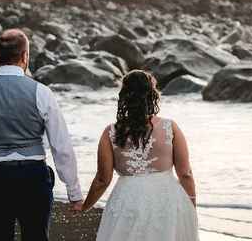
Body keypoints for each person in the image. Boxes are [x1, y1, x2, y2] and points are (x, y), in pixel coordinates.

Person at [0, 29, 83, 241]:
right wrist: (74, 192)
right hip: (33, 178)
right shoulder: (42, 92)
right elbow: (61, 146)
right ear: (25, 56)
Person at [82, 70, 199, 241]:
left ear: (125, 97)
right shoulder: (170, 127)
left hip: (127, 200)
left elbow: (102, 179)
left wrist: (85, 206)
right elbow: (185, 173)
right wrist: (190, 205)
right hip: (166, 200)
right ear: (152, 95)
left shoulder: (111, 132)